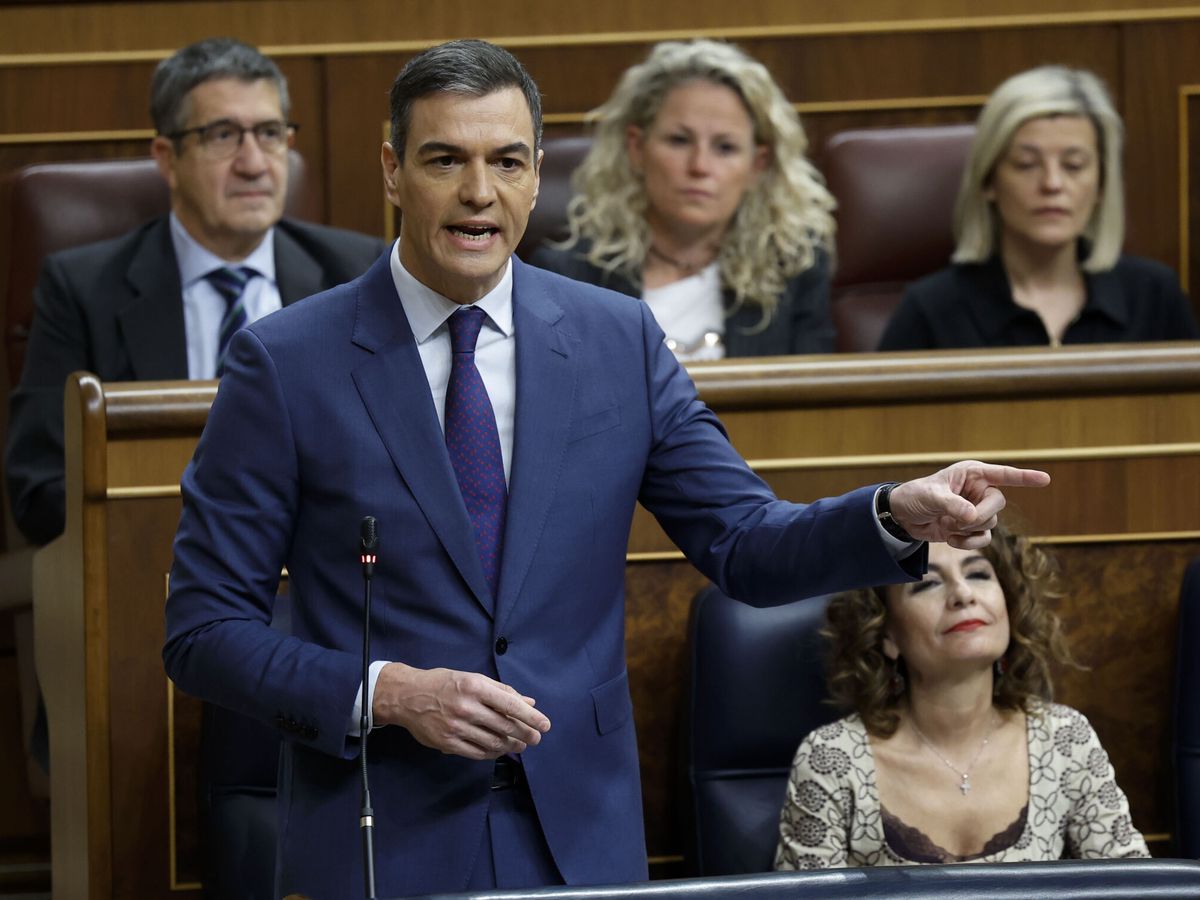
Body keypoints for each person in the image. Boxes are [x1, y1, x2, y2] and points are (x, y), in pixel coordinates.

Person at [162, 38, 1049, 897]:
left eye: (507, 162)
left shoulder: (615, 339)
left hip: (577, 838)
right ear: (393, 170)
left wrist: (893, 514)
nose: (479, 193)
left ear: (539, 174)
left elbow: (743, 541)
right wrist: (385, 693)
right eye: (445, 161)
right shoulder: (285, 363)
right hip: (381, 832)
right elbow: (201, 631)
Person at [5, 37, 385, 547]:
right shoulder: (82, 290)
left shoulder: (360, 274)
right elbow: (40, 488)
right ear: (167, 157)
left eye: (270, 133)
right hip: (153, 572)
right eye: (223, 135)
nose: (253, 163)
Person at [775, 522, 1149, 869]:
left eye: (978, 574)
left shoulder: (1066, 739)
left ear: (1009, 607)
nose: (963, 594)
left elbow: (1136, 889)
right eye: (927, 584)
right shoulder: (831, 758)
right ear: (886, 634)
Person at [530, 39, 836, 360]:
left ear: (757, 166)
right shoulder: (565, 276)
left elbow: (813, 403)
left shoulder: (794, 270)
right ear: (637, 149)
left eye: (725, 147)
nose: (700, 166)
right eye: (679, 140)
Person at [878, 65, 1198, 351]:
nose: (1052, 184)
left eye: (1074, 165)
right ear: (989, 181)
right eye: (1027, 164)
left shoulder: (1154, 296)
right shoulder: (931, 309)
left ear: (1101, 185)